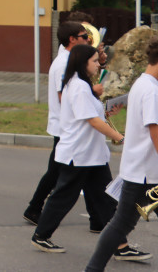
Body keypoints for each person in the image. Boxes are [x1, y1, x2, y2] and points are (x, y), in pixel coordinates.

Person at [31, 45, 141, 256]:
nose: (98, 64)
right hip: (79, 155)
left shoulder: (81, 85)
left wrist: (108, 109)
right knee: (64, 197)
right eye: (93, 61)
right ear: (83, 63)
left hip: (92, 156)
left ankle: (120, 245)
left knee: (107, 199)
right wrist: (119, 137)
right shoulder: (79, 86)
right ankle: (41, 236)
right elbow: (91, 120)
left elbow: (92, 114)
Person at [85, 35, 158, 269]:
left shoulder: (143, 83)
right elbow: (155, 133)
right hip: (145, 175)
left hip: (142, 171)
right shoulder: (152, 92)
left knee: (121, 224)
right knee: (120, 224)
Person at [25, 21, 105, 227]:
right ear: (72, 40)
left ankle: (98, 218)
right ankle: (36, 211)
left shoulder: (71, 59)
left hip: (70, 128)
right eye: (84, 37)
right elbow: (66, 97)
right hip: (68, 128)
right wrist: (92, 92)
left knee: (81, 174)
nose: (88, 39)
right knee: (59, 175)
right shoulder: (63, 63)